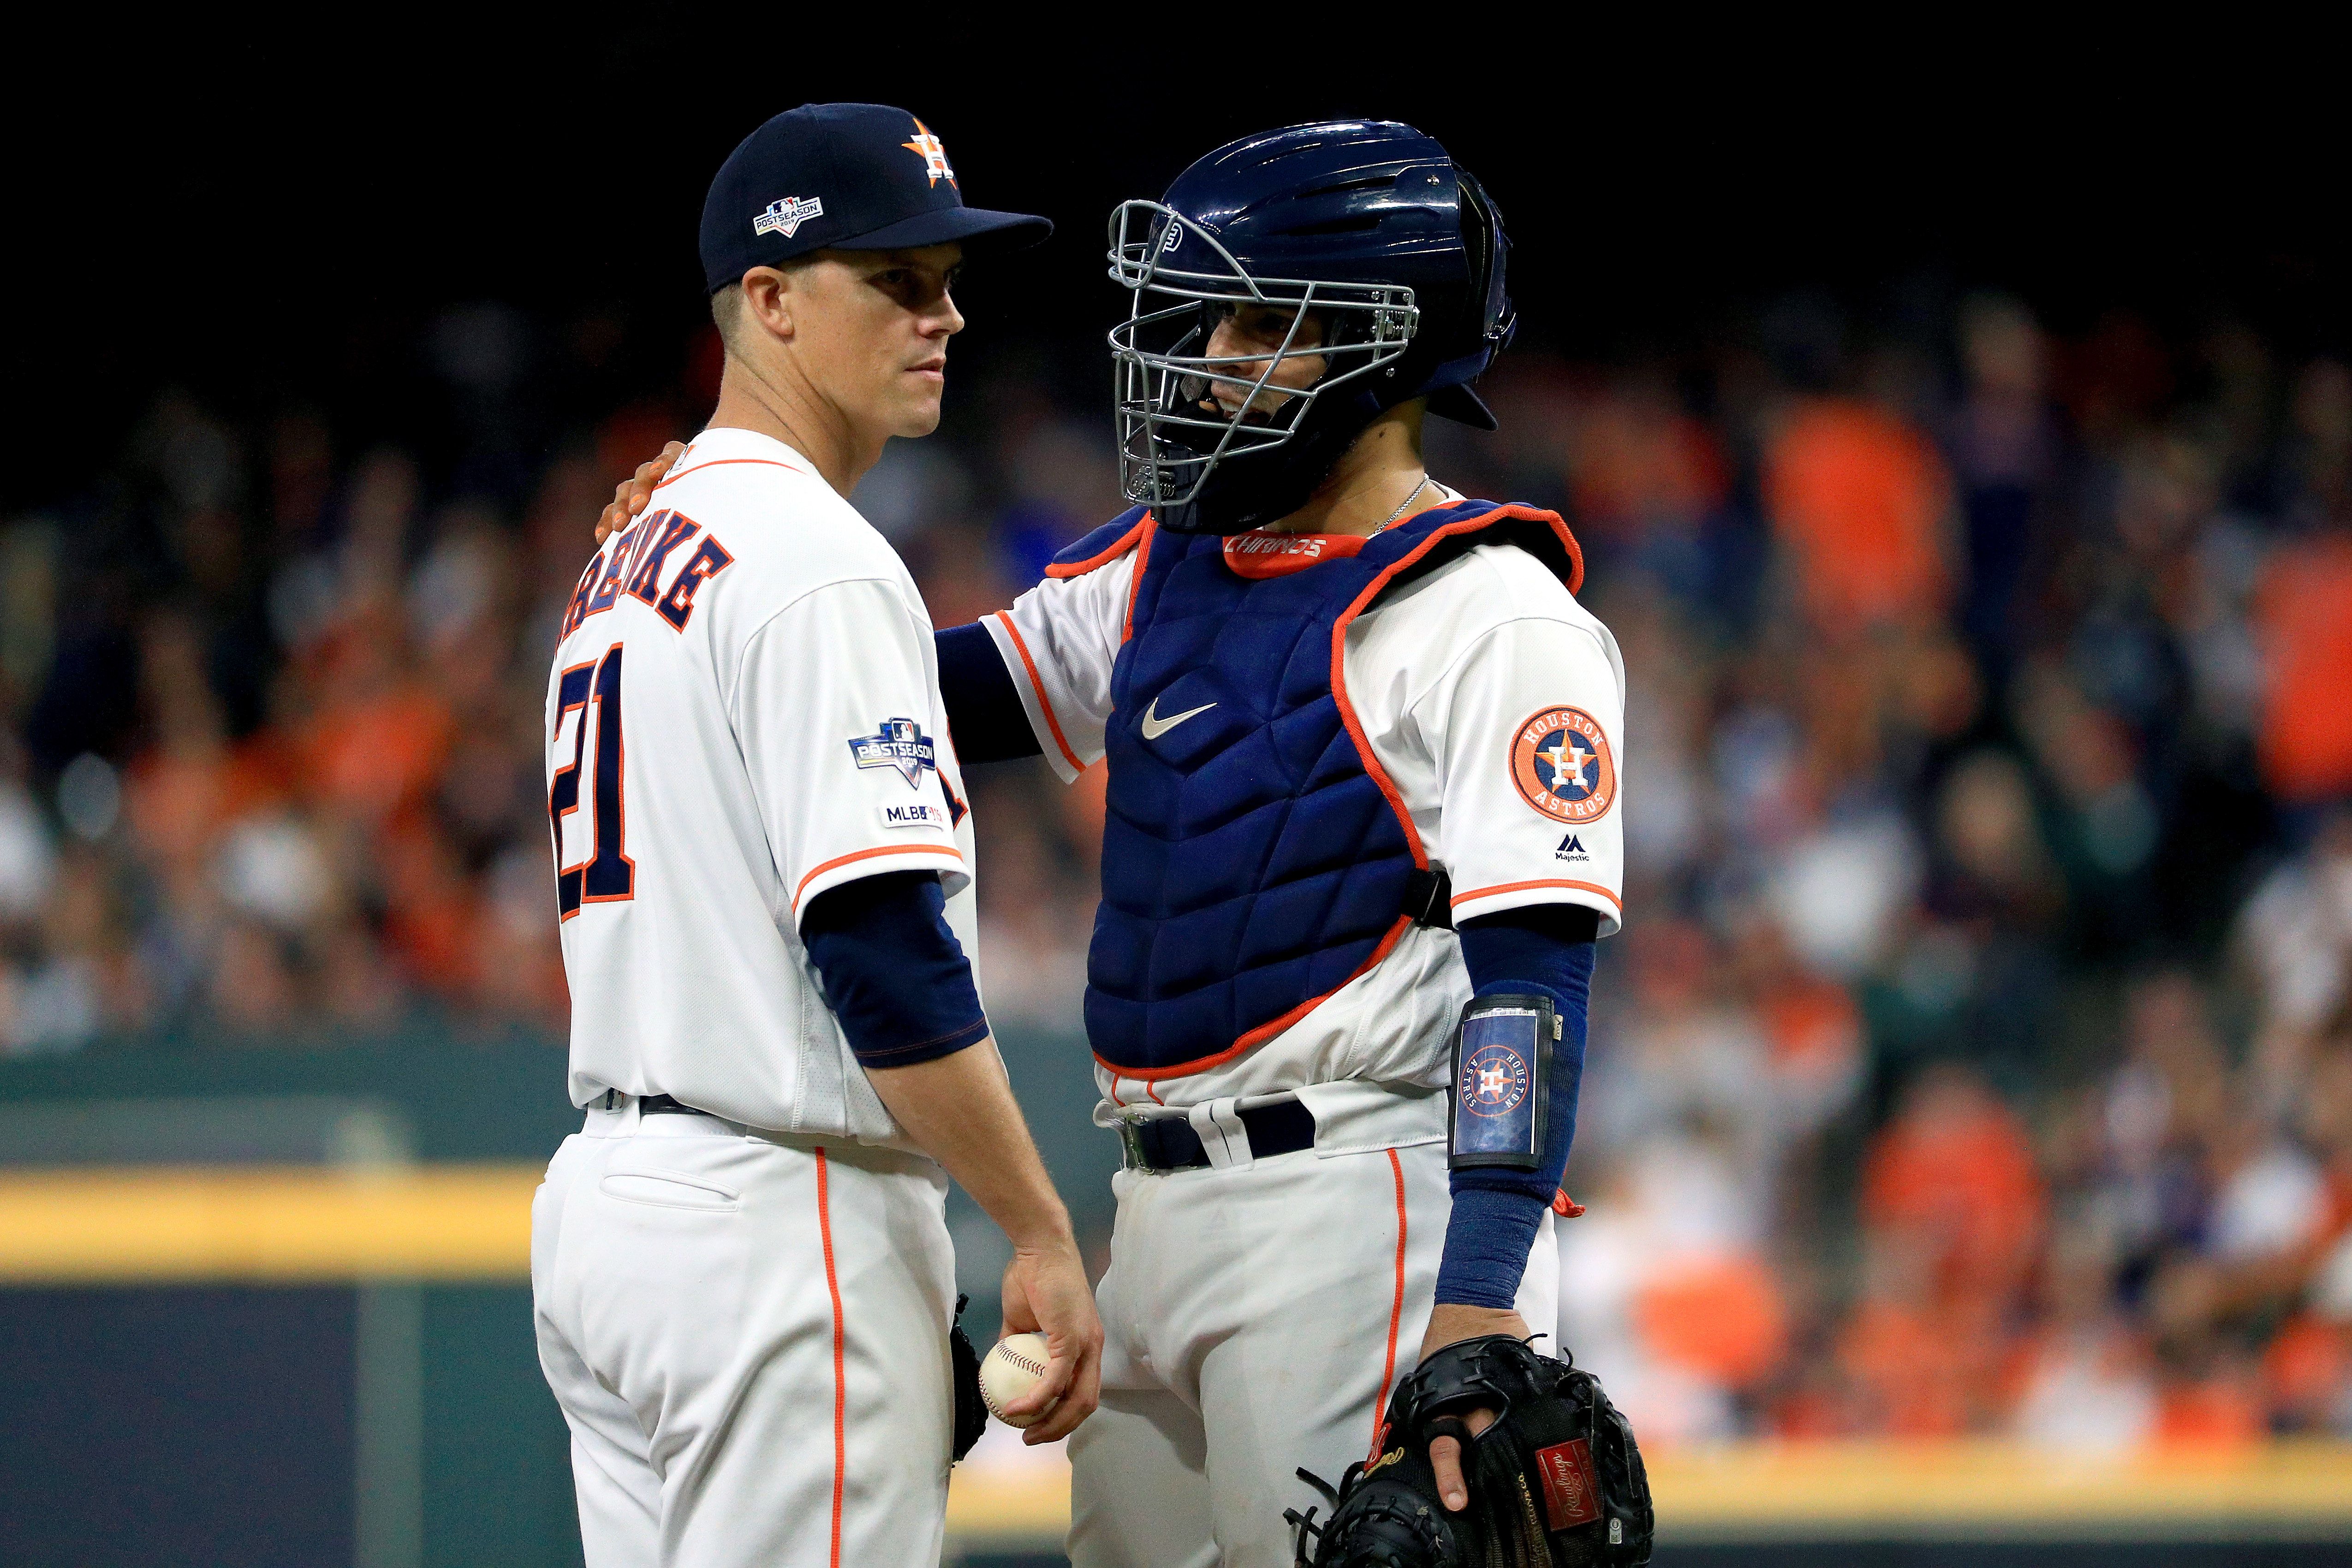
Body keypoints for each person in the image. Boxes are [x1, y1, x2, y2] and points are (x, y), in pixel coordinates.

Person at [603, 119, 1626, 1568]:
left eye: (1253, 318)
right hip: (1149, 1217)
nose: (1205, 351)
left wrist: (1477, 1308)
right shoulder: (1167, 562)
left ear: (1375, 340)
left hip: (1358, 1208)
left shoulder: (1497, 617)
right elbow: (904, 690)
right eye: (1201, 313)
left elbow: (1532, 998)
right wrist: (717, 536)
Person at [536, 101, 1100, 1568]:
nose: (946, 315)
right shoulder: (817, 559)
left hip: (618, 1213)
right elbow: (881, 957)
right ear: (770, 303)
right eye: (896, 282)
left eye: (947, 281)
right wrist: (1037, 1227)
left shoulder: (630, 549)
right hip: (775, 1225)